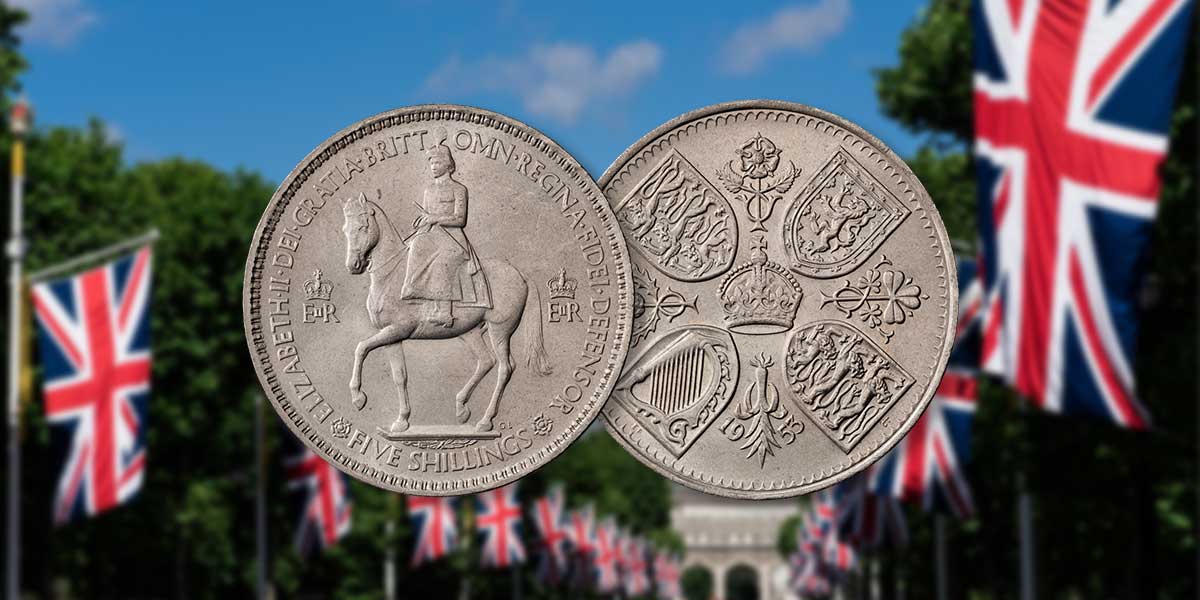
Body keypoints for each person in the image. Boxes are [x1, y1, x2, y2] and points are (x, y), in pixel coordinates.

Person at [400, 140, 488, 326]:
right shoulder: (429, 190)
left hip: (454, 239)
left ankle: (444, 312)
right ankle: (414, 291)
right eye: (431, 163)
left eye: (437, 163)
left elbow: (459, 220)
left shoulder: (459, 189)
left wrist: (434, 218)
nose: (433, 167)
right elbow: (427, 215)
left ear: (449, 166)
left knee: (442, 259)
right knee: (415, 246)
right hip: (433, 235)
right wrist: (422, 222)